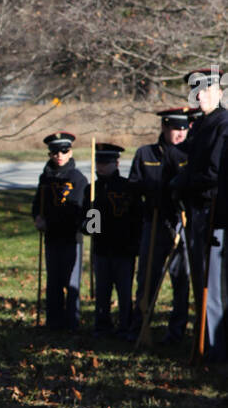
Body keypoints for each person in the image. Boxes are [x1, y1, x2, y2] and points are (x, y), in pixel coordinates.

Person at [172, 65, 228, 359]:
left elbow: (214, 172)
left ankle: (215, 350)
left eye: (206, 90)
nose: (200, 96)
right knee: (200, 280)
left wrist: (183, 182)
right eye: (196, 91)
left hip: (213, 212)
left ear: (219, 92)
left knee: (213, 285)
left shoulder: (222, 124)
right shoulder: (202, 127)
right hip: (197, 210)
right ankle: (203, 341)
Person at [127, 109, 190, 342]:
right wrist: (147, 192)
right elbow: (134, 185)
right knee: (147, 278)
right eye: (176, 129)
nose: (180, 134)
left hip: (180, 222)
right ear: (164, 128)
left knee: (181, 279)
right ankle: (140, 326)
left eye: (184, 129)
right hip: (152, 222)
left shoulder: (189, 155)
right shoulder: (146, 153)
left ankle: (177, 331)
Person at [32, 131, 90, 330]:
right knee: (54, 281)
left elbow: (79, 210)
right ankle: (53, 322)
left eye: (64, 151)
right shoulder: (45, 178)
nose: (59, 155)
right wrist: (37, 218)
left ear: (70, 152)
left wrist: (56, 223)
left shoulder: (78, 179)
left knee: (71, 283)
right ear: (49, 154)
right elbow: (36, 205)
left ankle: (72, 323)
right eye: (55, 151)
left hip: (71, 238)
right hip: (51, 238)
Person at [88, 143, 141, 336]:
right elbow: (87, 227)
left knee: (124, 290)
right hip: (102, 248)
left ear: (116, 163)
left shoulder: (128, 188)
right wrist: (90, 220)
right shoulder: (91, 189)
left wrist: (135, 244)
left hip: (123, 248)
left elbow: (137, 218)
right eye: (98, 163)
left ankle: (125, 324)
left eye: (106, 163)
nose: (101, 167)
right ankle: (102, 323)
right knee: (102, 289)